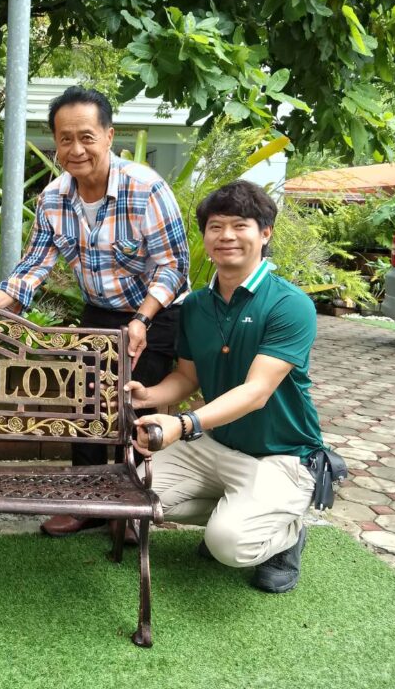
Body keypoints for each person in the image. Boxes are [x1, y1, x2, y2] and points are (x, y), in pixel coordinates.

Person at [0, 85, 189, 539]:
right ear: (56, 143)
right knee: (85, 407)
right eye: (65, 138)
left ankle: (132, 509)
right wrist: (0, 298)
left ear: (108, 136)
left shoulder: (146, 188)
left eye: (86, 136)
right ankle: (86, 502)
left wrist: (141, 320)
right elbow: (35, 264)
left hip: (156, 315)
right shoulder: (53, 199)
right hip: (100, 311)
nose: (76, 148)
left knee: (136, 405)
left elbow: (174, 267)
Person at [127, 180, 322, 593]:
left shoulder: (290, 304)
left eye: (240, 225)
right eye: (216, 227)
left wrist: (183, 424)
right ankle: (242, 513)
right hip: (217, 445)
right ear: (205, 236)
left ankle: (287, 533)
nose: (227, 236)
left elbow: (257, 392)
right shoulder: (195, 305)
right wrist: (151, 395)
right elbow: (187, 377)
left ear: (265, 233)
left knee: (228, 545)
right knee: (132, 498)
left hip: (280, 455)